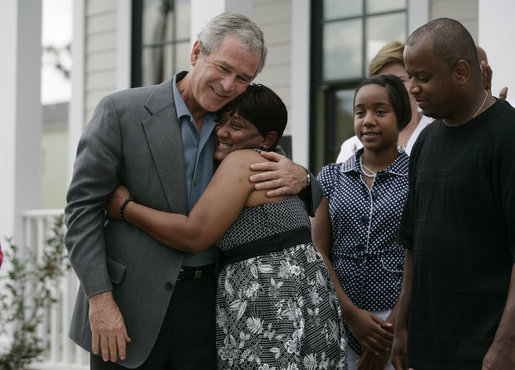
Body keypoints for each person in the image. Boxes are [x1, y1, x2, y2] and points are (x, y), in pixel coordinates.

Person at [65, 12, 318, 370]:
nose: (229, 85)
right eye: (223, 68)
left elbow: (289, 183)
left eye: (243, 78)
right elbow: (81, 210)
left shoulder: (237, 126)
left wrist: (305, 177)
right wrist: (100, 299)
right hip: (128, 305)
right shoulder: (121, 111)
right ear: (197, 52)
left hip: (211, 305)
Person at [105, 84, 348, 369]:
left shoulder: (242, 162)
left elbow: (194, 235)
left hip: (269, 297)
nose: (221, 131)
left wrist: (126, 209)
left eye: (236, 125)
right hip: (308, 294)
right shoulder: (273, 163)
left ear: (268, 138)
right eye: (220, 121)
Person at [391, 18, 515, 369]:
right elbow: (414, 243)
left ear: (461, 72)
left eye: (423, 77)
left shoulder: (507, 136)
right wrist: (403, 325)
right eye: (409, 77)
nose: (412, 88)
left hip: (486, 348)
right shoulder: (427, 141)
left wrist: (507, 344)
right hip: (430, 347)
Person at [312, 74, 412, 370]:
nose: (368, 120)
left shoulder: (417, 178)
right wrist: (351, 314)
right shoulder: (331, 177)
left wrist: (389, 332)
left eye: (380, 111)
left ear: (401, 117)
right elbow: (318, 250)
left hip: (397, 317)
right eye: (360, 112)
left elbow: (417, 255)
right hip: (338, 314)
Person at [336, 41, 432, 163]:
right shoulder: (352, 148)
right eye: (382, 82)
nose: (392, 90)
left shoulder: (436, 132)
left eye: (400, 81)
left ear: (415, 83)